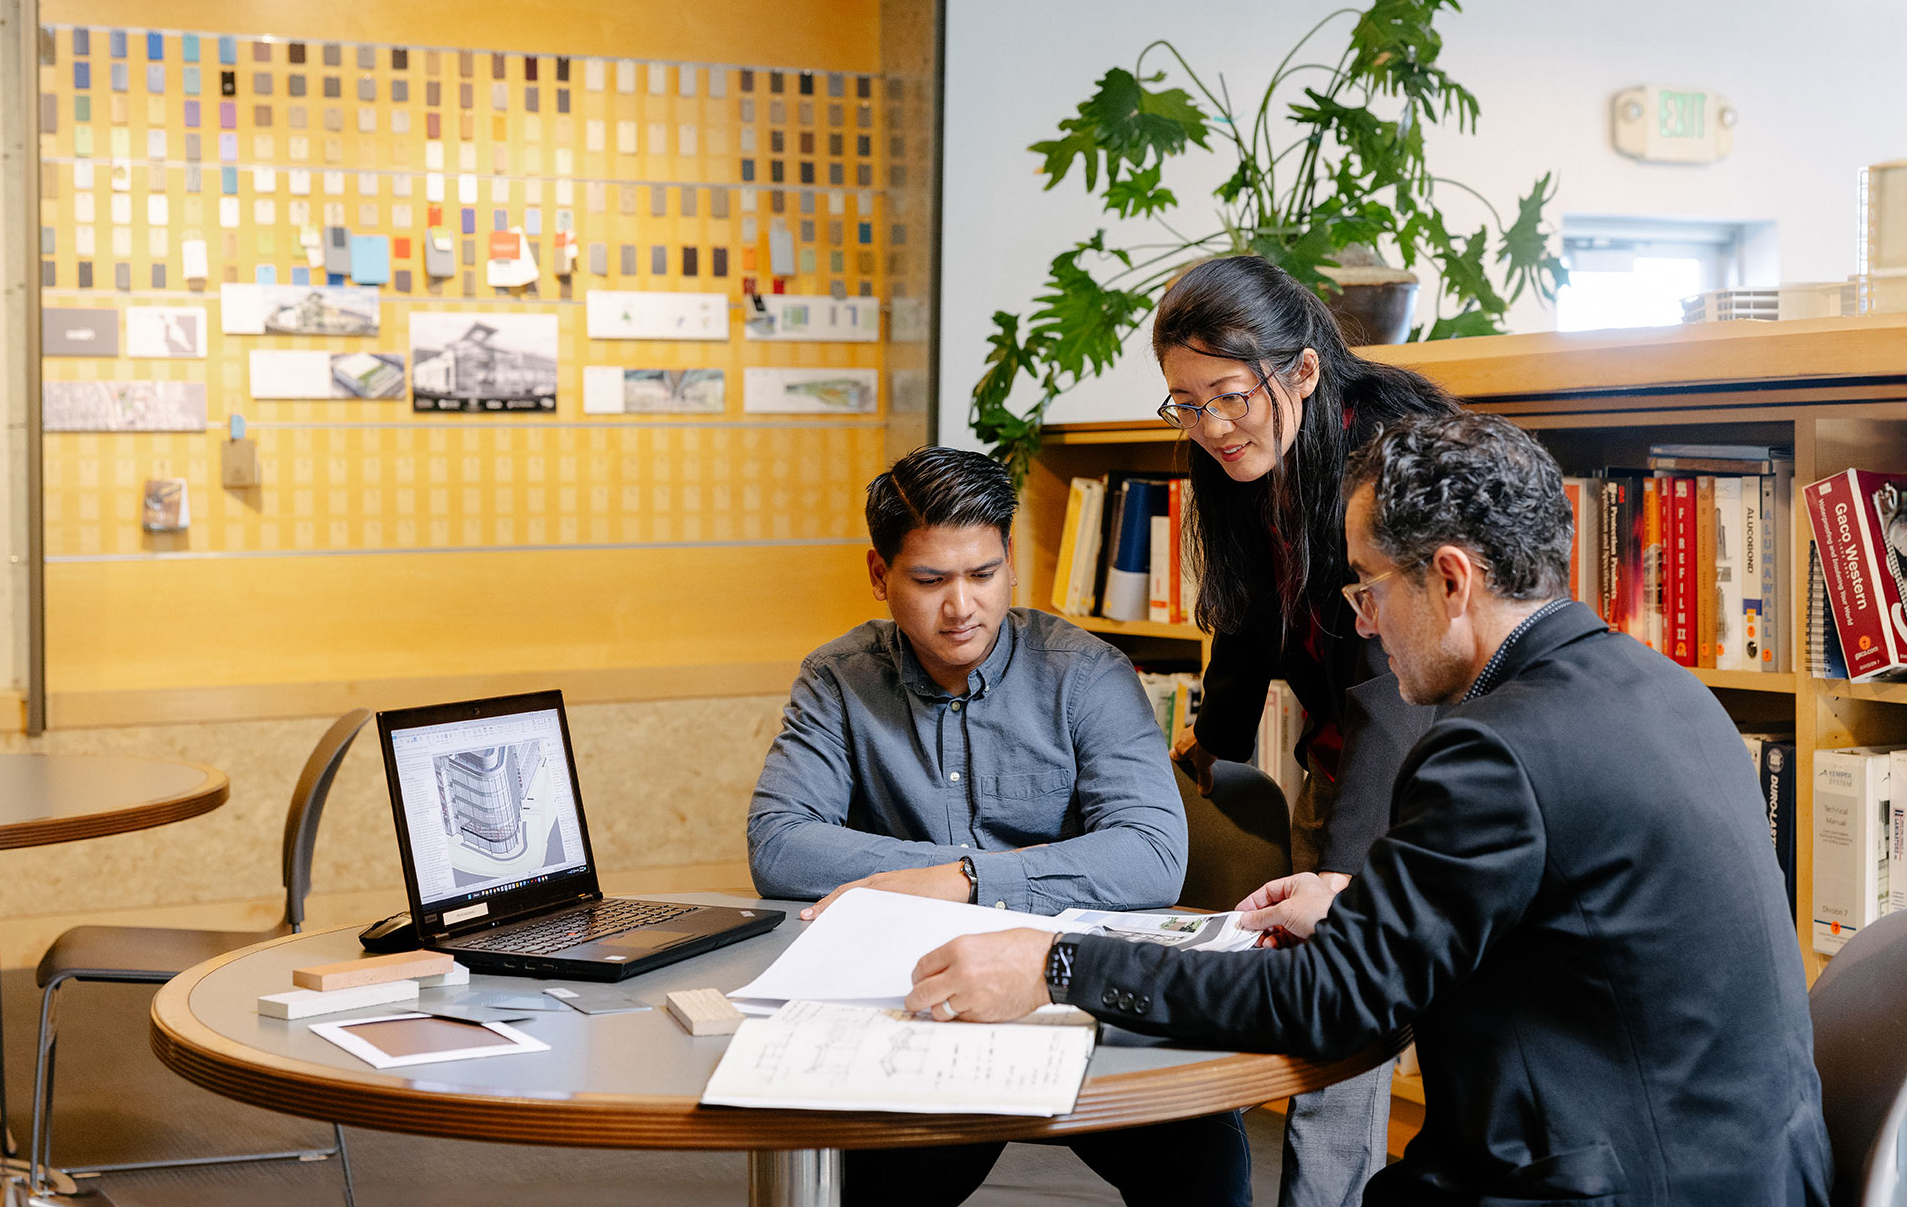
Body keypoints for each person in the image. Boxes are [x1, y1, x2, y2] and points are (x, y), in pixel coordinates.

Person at [906, 413, 1833, 1207]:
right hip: (1744, 1168)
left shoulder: (1491, 749)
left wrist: (1057, 964)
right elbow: (1567, 912)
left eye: (1369, 586)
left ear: (1453, 579)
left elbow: (1328, 1004)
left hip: (1604, 1181)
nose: (1361, 621)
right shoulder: (1657, 686)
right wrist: (1365, 907)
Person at [748, 445, 1249, 1207]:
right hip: (920, 1001)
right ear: (881, 576)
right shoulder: (839, 678)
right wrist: (1012, 869)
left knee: (1202, 1160)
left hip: (1077, 996)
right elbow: (780, 843)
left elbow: (1151, 855)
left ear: (1009, 562)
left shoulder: (1085, 673)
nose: (962, 606)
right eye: (929, 580)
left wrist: (962, 879)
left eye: (983, 574)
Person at [1156, 254, 1457, 1205]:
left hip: (1458, 746)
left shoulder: (1393, 464)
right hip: (1351, 739)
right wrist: (1217, 744)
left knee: (1361, 975)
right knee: (1337, 1012)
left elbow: (1391, 686)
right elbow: (1246, 608)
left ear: (1305, 372)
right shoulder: (1248, 455)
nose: (1210, 427)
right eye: (1185, 403)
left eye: (1230, 396)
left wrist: (1350, 877)